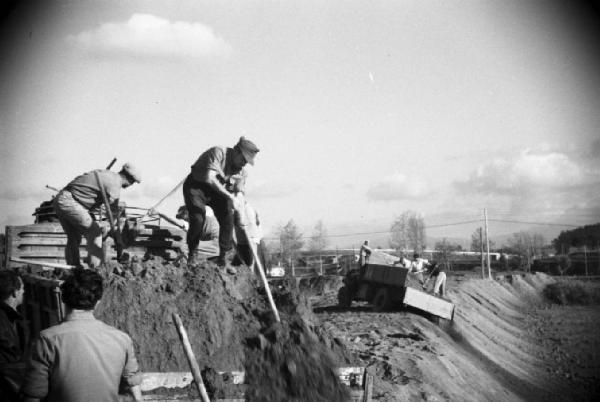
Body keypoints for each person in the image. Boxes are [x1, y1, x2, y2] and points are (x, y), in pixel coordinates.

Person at [20, 268, 142, 402]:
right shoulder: (122, 339)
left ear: (63, 299)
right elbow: (133, 386)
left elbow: (33, 395)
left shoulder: (47, 340)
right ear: (98, 302)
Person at [183, 136, 259, 268]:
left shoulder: (241, 172)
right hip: (196, 187)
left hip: (216, 192)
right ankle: (192, 254)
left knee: (227, 218)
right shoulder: (218, 152)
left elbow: (239, 194)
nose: (244, 164)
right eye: (243, 159)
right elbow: (210, 178)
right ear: (236, 151)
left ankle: (223, 258)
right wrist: (230, 197)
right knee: (198, 218)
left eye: (247, 162)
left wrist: (240, 216)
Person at [53, 163, 142, 268]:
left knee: (74, 237)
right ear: (129, 179)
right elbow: (112, 213)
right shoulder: (115, 184)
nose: (130, 185)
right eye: (132, 182)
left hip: (61, 199)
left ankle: (73, 268)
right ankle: (95, 270)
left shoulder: (108, 175)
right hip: (70, 202)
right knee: (95, 232)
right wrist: (118, 239)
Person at [0, 270, 26, 402]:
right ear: (15, 292)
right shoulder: (4, 322)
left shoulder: (9, 317)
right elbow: (12, 367)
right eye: (22, 288)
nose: (23, 292)